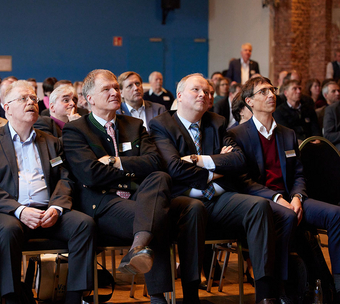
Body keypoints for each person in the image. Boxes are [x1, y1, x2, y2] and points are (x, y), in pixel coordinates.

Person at [63, 69, 198, 304]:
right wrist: (133, 173)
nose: (115, 92)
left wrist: (116, 163)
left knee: (167, 185)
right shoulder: (76, 130)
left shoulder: (135, 125)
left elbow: (155, 163)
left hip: (141, 197)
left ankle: (141, 249)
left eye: (116, 87)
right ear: (90, 99)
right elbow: (90, 175)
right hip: (103, 203)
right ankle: (158, 297)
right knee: (156, 214)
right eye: (106, 89)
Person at [149, 73, 280, 304]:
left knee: (259, 206)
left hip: (220, 199)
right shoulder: (161, 124)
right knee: (195, 209)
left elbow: (240, 161)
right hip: (183, 200)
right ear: (179, 96)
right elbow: (175, 168)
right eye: (196, 90)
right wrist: (218, 166)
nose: (204, 95)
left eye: (208, 92)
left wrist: (200, 160)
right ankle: (191, 295)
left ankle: (265, 295)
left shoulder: (217, 122)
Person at [0, 80, 95, 304]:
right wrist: (19, 210)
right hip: (8, 213)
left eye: (33, 98)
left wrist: (56, 207)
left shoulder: (51, 142)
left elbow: (65, 178)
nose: (31, 102)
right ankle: (11, 298)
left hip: (47, 211)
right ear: (7, 107)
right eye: (23, 99)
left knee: (83, 224)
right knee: (8, 230)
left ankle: (75, 297)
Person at [227, 76, 340, 301]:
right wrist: (277, 197)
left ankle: (336, 285)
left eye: (272, 90)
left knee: (336, 214)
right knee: (287, 215)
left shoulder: (287, 134)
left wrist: (298, 196)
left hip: (293, 198)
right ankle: (282, 287)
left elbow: (298, 174)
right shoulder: (238, 135)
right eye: (264, 92)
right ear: (249, 101)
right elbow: (244, 181)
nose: (271, 95)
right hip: (263, 200)